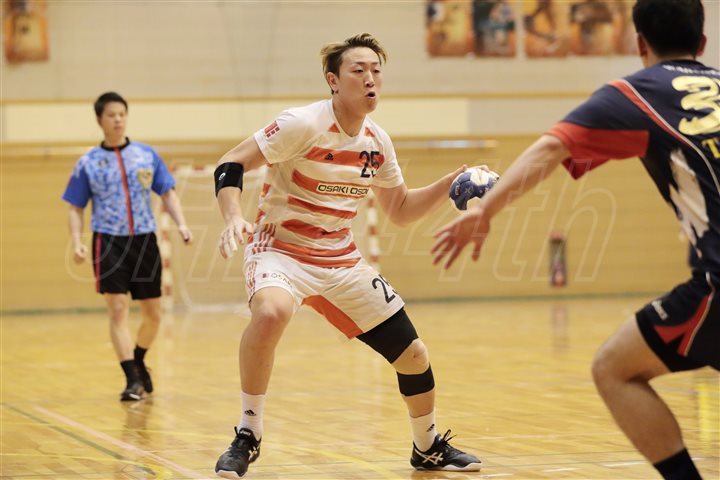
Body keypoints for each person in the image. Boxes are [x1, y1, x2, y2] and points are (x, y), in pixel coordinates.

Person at [432, 1, 717, 478]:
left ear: (640, 43)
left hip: (716, 284)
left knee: (614, 369)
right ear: (703, 42)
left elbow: (552, 147)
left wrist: (485, 210)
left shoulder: (639, 94)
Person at [212, 33, 482, 478]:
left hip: (339, 259)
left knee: (414, 355)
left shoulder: (378, 143)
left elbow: (400, 209)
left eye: (376, 70)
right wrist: (232, 217)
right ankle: (248, 433)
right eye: (359, 70)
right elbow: (231, 163)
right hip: (280, 250)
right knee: (272, 312)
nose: (370, 79)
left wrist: (449, 183)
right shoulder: (302, 124)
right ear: (333, 81)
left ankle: (427, 446)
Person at [62, 92, 193, 402]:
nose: (118, 119)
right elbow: (75, 207)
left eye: (122, 114)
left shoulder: (146, 155)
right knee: (118, 309)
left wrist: (182, 224)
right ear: (100, 120)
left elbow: (168, 193)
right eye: (111, 115)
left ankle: (139, 358)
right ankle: (132, 378)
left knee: (153, 314)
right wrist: (77, 242)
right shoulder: (88, 163)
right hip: (108, 241)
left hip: (144, 240)